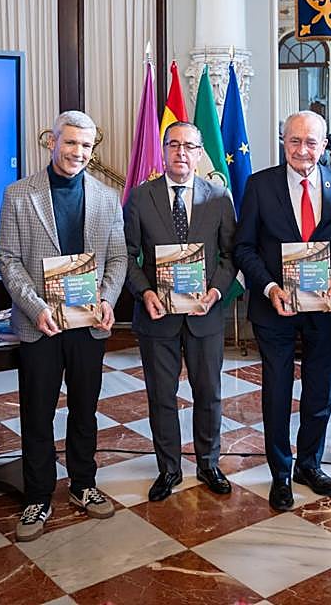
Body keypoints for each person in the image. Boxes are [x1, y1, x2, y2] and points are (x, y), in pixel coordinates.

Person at [0, 110, 127, 542]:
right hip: (42, 326)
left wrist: (107, 299)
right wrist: (35, 308)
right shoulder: (19, 194)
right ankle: (38, 497)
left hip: (88, 324)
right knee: (37, 414)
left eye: (86, 146)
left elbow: (119, 258)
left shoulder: (108, 198)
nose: (78, 153)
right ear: (52, 141)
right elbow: (8, 260)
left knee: (85, 410)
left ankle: (84, 485)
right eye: (70, 143)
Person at [234, 110, 331, 511]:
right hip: (275, 310)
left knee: (320, 389)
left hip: (323, 307)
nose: (302, 150)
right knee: (277, 390)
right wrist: (269, 288)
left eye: (311, 142)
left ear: (325, 145)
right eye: (294, 141)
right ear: (283, 141)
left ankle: (309, 464)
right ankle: (280, 473)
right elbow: (244, 248)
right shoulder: (258, 185)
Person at [124, 121, 237, 502]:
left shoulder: (219, 196)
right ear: (163, 150)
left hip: (205, 314)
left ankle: (208, 462)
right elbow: (126, 255)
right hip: (158, 316)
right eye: (174, 145)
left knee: (209, 392)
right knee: (161, 395)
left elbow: (230, 254)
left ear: (200, 152)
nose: (181, 153)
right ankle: (169, 469)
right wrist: (144, 292)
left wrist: (217, 289)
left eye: (189, 146)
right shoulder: (141, 198)